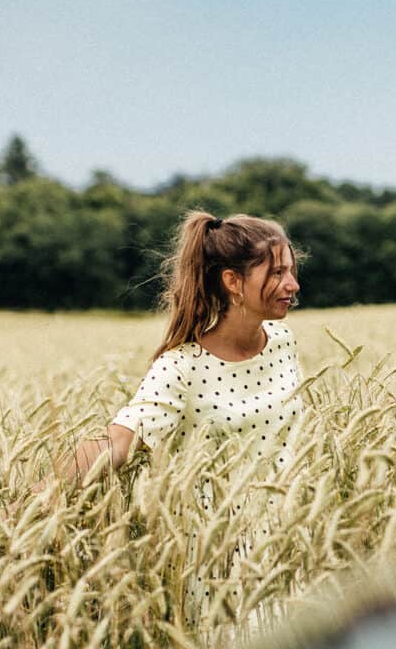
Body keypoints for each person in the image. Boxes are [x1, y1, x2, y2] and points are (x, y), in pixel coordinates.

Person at [44, 209, 304, 487]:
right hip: (216, 529)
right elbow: (119, 440)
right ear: (233, 281)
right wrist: (37, 497)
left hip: (285, 525)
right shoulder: (182, 367)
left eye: (290, 270)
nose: (293, 284)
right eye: (277, 273)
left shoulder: (281, 340)